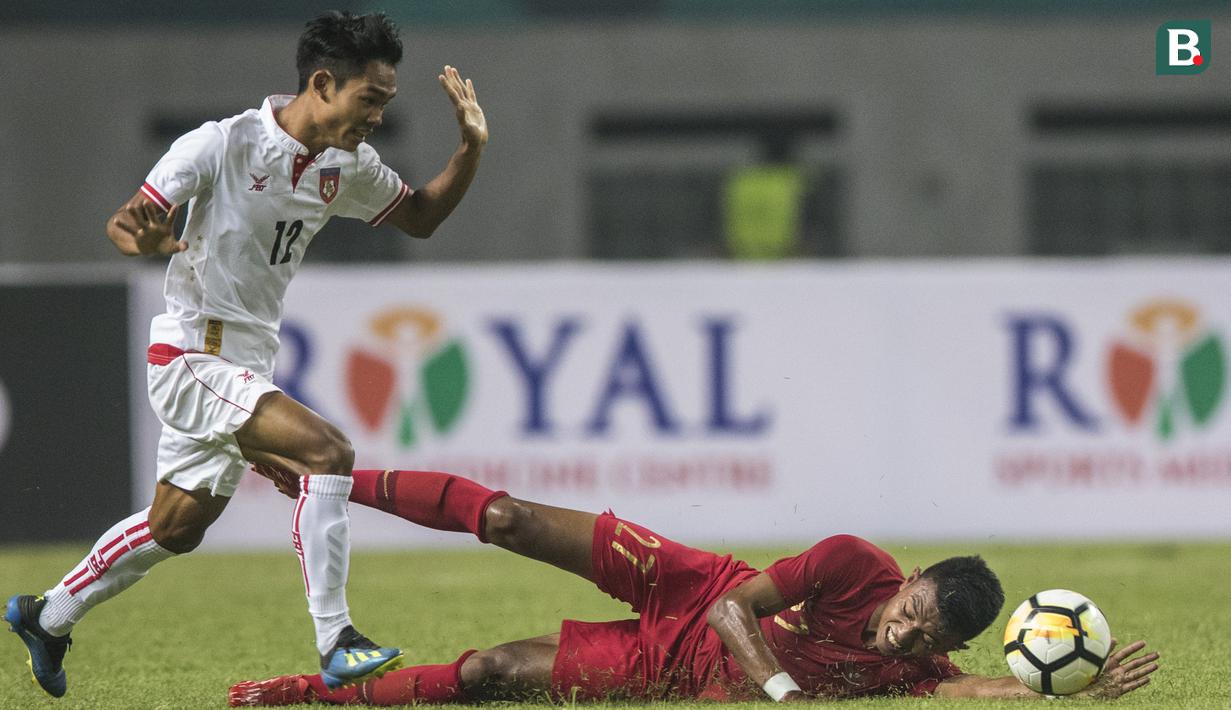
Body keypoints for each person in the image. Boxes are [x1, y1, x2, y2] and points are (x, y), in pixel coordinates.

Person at [5, 11, 488, 699]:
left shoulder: (345, 167)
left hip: (245, 363)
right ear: (322, 82)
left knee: (176, 526)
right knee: (328, 453)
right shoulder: (220, 145)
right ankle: (337, 639)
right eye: (370, 98)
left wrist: (470, 148)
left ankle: (47, 615)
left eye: (384, 101)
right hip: (191, 356)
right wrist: (142, 242)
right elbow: (126, 221)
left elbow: (420, 217)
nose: (378, 116)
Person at [228, 467, 1160, 705]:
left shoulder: (920, 669)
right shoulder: (846, 559)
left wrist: (1060, 688)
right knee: (508, 519)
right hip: (692, 584)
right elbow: (729, 606)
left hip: (674, 670)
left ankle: (310, 691)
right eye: (907, 617)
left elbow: (976, 687)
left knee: (492, 677)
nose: (899, 642)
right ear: (906, 580)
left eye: (921, 643)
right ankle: (331, 485)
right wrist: (782, 688)